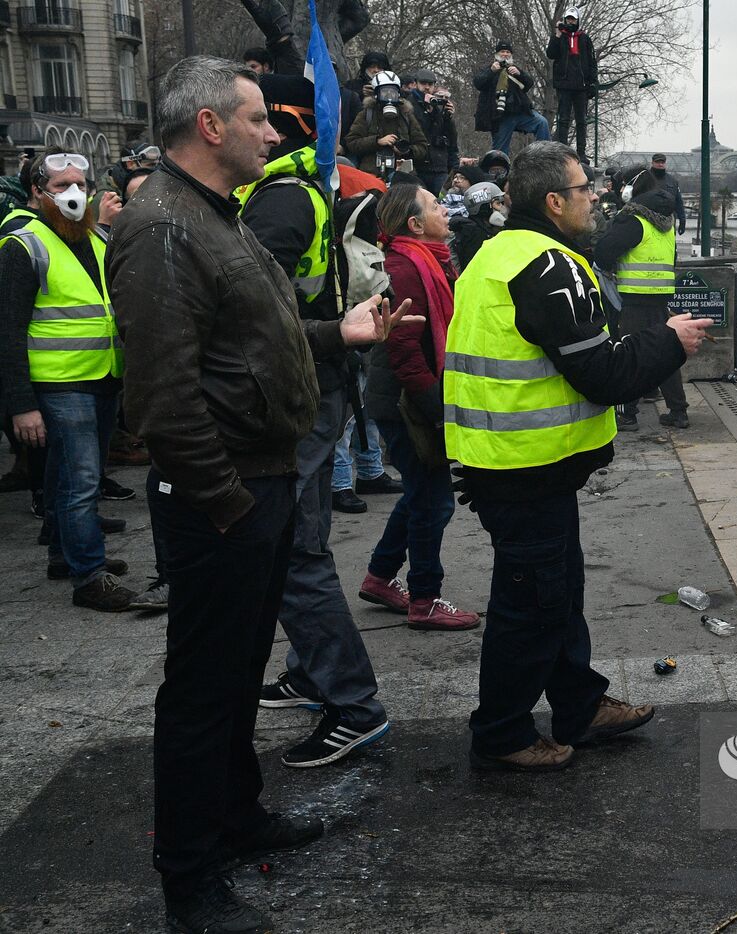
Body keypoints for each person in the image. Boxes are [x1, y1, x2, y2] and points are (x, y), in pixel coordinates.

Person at [108, 55, 415, 931]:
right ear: (210, 126)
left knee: (239, 673)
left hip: (260, 481)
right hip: (225, 495)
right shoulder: (162, 225)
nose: (273, 134)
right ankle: (190, 879)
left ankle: (236, 816)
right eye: (255, 120)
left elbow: (249, 337)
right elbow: (163, 398)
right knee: (203, 690)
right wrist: (228, 504)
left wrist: (338, 331)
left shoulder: (215, 216)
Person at [444, 141, 712, 771]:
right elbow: (603, 375)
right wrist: (670, 342)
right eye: (585, 188)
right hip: (524, 465)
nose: (596, 197)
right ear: (555, 201)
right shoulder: (548, 265)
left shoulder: (499, 253)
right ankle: (503, 731)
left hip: (516, 461)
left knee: (555, 592)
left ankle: (580, 704)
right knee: (531, 603)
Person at [236, 73, 395, 768]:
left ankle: (353, 704)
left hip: (300, 386)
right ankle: (310, 670)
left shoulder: (280, 200)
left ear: (280, 124)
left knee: (295, 557)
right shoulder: (304, 187)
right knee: (305, 544)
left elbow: (250, 317)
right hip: (318, 382)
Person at [0, 150, 134, 610]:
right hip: (59, 383)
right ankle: (89, 574)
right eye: (61, 187)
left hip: (102, 376)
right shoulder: (22, 245)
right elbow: (8, 331)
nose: (74, 194)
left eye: (81, 184)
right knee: (80, 481)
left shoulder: (97, 237)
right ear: (39, 193)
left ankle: (65, 554)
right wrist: (21, 403)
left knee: (68, 474)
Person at [359, 181, 481, 630]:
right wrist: (440, 409)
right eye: (435, 206)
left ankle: (379, 578)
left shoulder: (426, 260)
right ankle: (424, 599)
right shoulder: (406, 268)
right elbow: (405, 354)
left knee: (419, 493)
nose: (445, 211)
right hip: (406, 401)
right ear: (414, 223)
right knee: (434, 502)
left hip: (408, 396)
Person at [595, 166, 687, 429]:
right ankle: (678, 411)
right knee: (666, 350)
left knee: (628, 354)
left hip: (633, 297)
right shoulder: (666, 220)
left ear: (632, 186)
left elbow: (604, 251)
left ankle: (627, 413)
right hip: (660, 295)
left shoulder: (632, 218)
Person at [344, 69, 429, 178]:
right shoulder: (366, 114)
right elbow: (352, 142)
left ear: (398, 94)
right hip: (371, 173)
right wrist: (377, 141)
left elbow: (422, 146)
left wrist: (407, 150)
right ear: (376, 94)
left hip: (402, 174)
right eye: (384, 92)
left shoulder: (406, 116)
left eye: (393, 92)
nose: (389, 96)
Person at [472, 42, 551, 154]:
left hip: (520, 112)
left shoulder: (514, 69)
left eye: (508, 52)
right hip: (500, 116)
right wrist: (491, 71)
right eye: (502, 51)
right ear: (497, 54)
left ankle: (545, 155)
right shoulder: (489, 68)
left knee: (542, 122)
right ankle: (498, 171)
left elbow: (529, 84)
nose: (505, 54)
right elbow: (478, 83)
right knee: (499, 152)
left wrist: (520, 74)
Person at [546, 6, 597, 161]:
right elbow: (551, 54)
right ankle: (562, 151)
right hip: (564, 84)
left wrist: (593, 83)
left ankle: (581, 152)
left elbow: (592, 61)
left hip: (581, 86)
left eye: (573, 19)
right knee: (563, 119)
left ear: (578, 20)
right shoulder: (560, 37)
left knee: (582, 120)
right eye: (568, 19)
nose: (570, 21)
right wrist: (557, 34)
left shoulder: (585, 38)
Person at [408, 71, 460, 196]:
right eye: (423, 83)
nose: (426, 87)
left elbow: (451, 137)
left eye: (430, 84)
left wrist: (447, 116)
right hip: (418, 165)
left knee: (443, 199)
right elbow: (418, 131)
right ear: (415, 84)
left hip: (439, 165)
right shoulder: (409, 105)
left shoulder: (439, 104)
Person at [448, 180, 507, 272]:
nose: (502, 208)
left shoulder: (484, 229)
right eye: (498, 203)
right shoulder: (475, 234)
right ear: (485, 207)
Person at [649, 152, 686, 234]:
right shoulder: (645, 179)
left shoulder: (673, 181)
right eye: (658, 162)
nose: (660, 165)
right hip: (649, 221)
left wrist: (682, 220)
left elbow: (678, 202)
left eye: (662, 162)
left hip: (668, 222)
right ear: (652, 163)